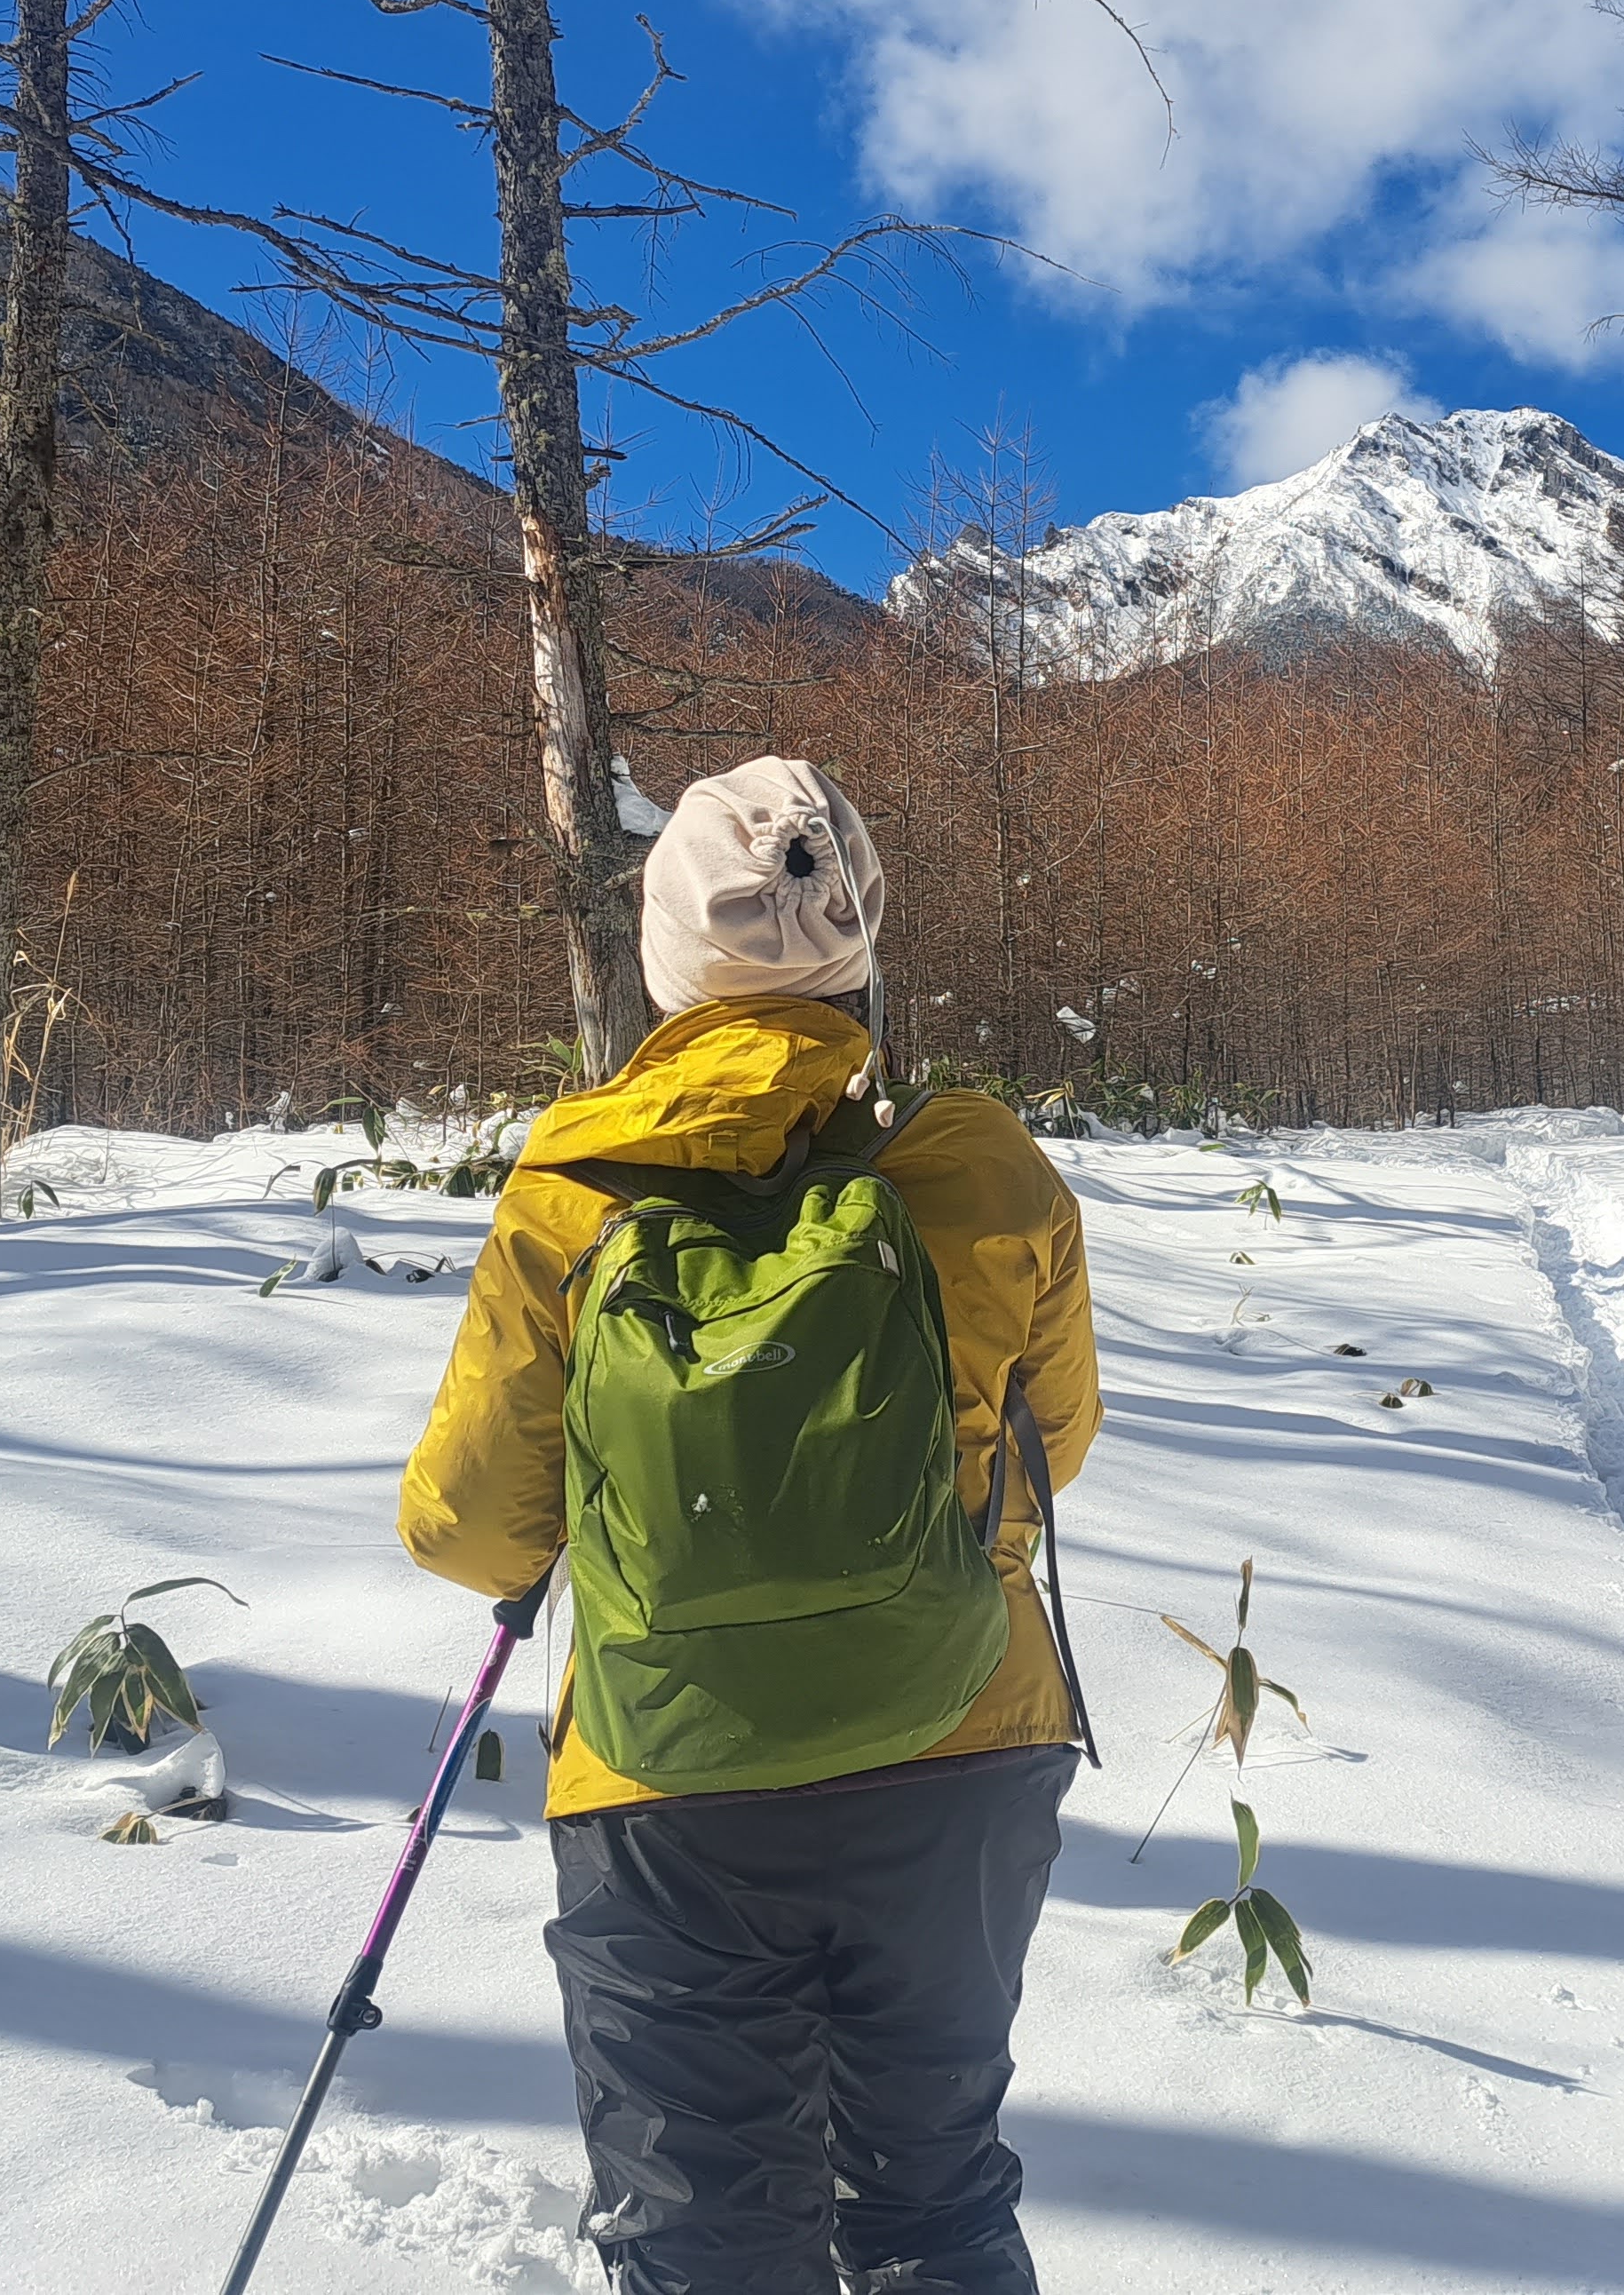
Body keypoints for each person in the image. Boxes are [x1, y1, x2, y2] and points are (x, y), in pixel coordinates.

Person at [400, 755, 1097, 2295]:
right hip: (965, 1746)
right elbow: (1063, 1445)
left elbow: (466, 1529)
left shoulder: (573, 1187)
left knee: (707, 2246)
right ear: (859, 947)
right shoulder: (982, 1170)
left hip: (668, 1783)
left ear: (666, 960)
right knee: (937, 2205)